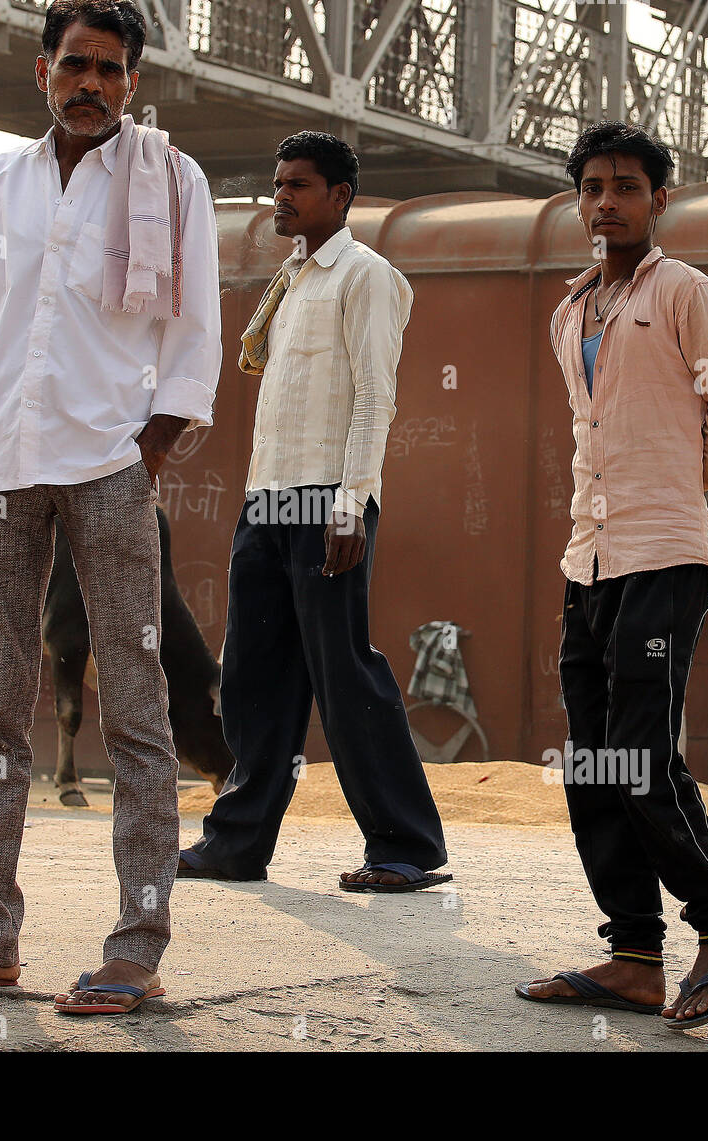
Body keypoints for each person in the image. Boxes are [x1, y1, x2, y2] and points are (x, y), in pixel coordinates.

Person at [0, 0, 221, 1015]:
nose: (89, 84)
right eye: (73, 64)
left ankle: (135, 948)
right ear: (43, 73)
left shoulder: (173, 180)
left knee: (133, 710)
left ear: (135, 83)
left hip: (110, 473)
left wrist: (145, 455)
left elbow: (195, 334)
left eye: (109, 69)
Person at [517, 121, 708, 1030]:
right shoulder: (568, 312)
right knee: (593, 764)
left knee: (639, 761)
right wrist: (677, 494)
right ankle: (632, 956)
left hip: (661, 559)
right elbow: (609, 437)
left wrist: (685, 498)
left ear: (660, 199)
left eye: (626, 186)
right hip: (589, 557)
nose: (605, 203)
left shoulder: (686, 294)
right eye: (591, 187)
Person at [177, 131, 449, 894]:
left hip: (327, 508)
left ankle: (404, 846)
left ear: (340, 197)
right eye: (278, 182)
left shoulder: (366, 277)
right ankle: (236, 843)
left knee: (344, 674)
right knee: (252, 678)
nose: (281, 196)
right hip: (266, 503)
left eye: (298, 184)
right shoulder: (292, 282)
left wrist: (351, 504)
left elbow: (376, 396)